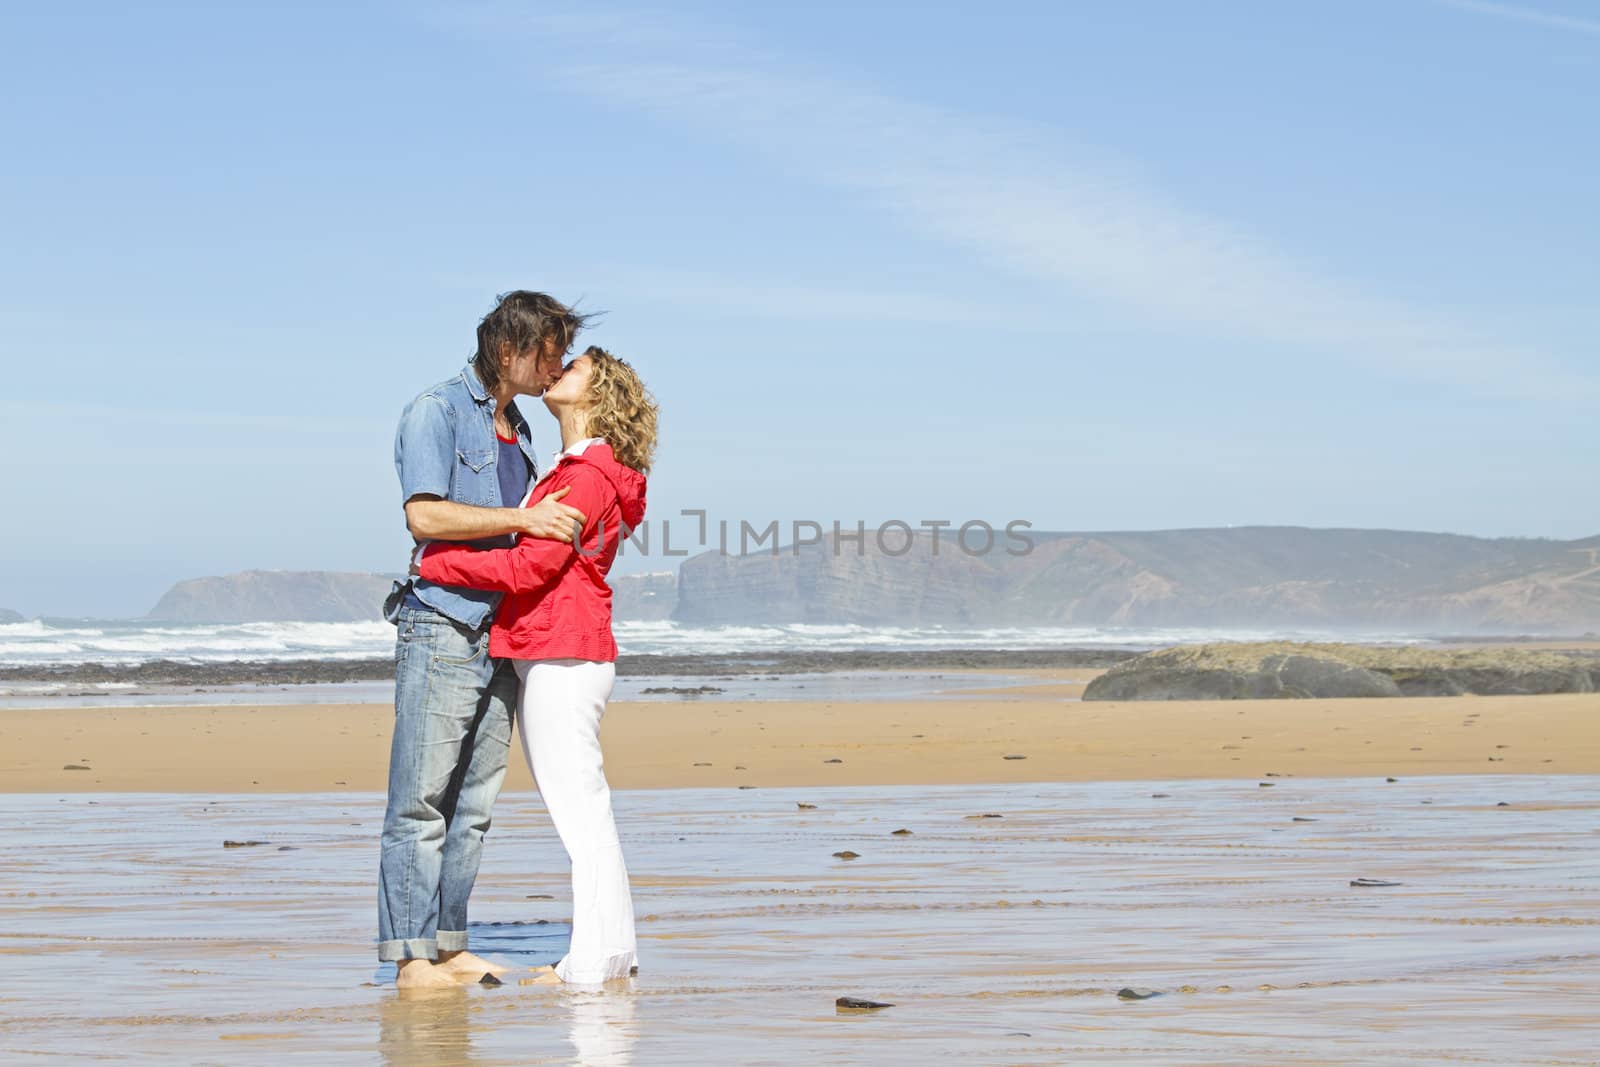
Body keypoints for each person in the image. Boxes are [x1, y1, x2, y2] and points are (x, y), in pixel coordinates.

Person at [416, 346, 656, 985]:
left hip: (562, 650)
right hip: (564, 647)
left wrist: (436, 563)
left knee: (581, 817)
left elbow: (532, 566)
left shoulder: (584, 475)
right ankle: (608, 956)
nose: (557, 373)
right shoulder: (579, 467)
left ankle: (588, 964)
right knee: (588, 812)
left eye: (572, 369)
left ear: (597, 395)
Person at [378, 291, 590, 989]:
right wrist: (523, 522)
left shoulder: (521, 428)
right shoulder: (434, 411)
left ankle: (449, 945)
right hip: (441, 624)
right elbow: (425, 516)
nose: (556, 363)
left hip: (501, 633)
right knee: (420, 801)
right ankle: (411, 958)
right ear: (508, 350)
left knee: (473, 806)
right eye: (548, 349)